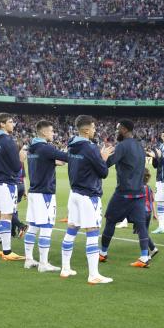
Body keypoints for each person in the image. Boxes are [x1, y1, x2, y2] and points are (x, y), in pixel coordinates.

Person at [60, 115, 114, 284]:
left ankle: (65, 268)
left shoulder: (72, 145)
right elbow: (103, 172)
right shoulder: (90, 147)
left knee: (71, 230)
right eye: (93, 127)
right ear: (86, 129)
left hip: (74, 194)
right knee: (92, 232)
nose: (95, 130)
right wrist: (103, 157)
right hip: (88, 195)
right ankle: (93, 275)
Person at [100, 119, 151, 268]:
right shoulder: (140, 146)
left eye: (117, 129)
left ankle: (102, 253)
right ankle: (144, 257)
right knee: (141, 226)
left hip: (123, 193)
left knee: (110, 220)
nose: (116, 132)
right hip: (139, 193)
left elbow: (107, 163)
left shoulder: (122, 146)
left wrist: (102, 156)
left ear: (123, 129)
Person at [24, 120, 68, 272]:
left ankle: (29, 259)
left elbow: (46, 161)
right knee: (47, 227)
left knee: (33, 226)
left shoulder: (32, 148)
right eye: (51, 131)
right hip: (45, 193)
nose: (53, 133)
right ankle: (43, 264)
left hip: (34, 192)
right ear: (43, 132)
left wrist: (54, 162)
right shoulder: (46, 148)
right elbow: (68, 157)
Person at [0, 113, 25, 261]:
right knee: (7, 216)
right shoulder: (8, 140)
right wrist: (21, 159)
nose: (13, 124)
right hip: (7, 183)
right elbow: (16, 167)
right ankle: (7, 252)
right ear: (2, 124)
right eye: (10, 122)